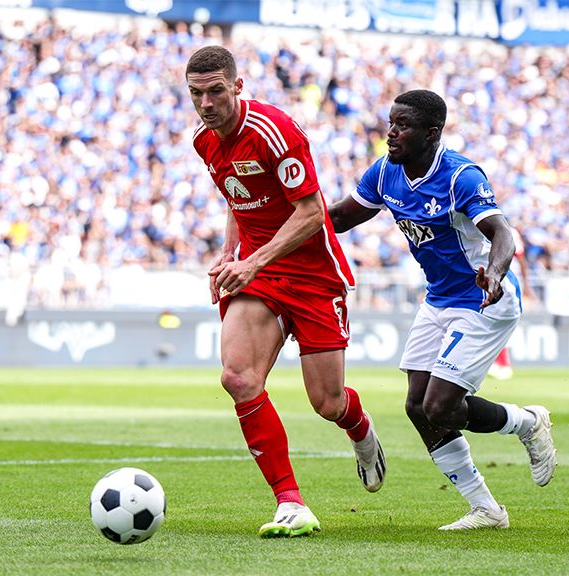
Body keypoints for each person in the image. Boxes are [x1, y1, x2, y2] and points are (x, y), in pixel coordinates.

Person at [328, 89, 556, 530]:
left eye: (403, 126)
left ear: (432, 133)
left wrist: (493, 270)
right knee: (417, 407)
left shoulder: (460, 177)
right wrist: (273, 225)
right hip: (439, 298)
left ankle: (527, 422)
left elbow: (503, 233)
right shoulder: (384, 173)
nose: (391, 133)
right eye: (391, 122)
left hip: (483, 298)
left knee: (440, 406)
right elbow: (338, 218)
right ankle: (487, 510)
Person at [185, 45, 385, 538]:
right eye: (196, 94)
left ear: (238, 86)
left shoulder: (275, 131)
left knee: (327, 402)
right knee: (238, 376)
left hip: (314, 274)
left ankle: (359, 429)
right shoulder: (204, 142)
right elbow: (238, 199)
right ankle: (290, 503)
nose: (206, 104)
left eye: (215, 92)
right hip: (261, 273)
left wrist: (251, 260)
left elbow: (312, 212)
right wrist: (232, 254)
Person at [487, 226, 529, 380]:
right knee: (492, 321)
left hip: (508, 282)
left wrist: (527, 285)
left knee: (497, 321)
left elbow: (521, 258)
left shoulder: (507, 231)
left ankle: (503, 364)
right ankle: (498, 363)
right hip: (497, 281)